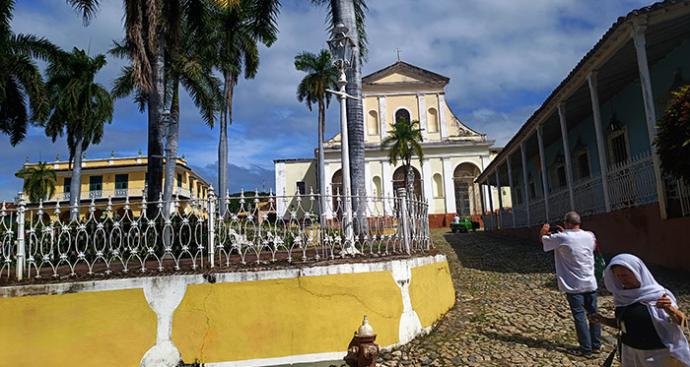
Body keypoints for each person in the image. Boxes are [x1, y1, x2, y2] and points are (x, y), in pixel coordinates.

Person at [590, 254, 690, 366]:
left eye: (625, 275)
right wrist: (603, 320)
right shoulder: (622, 297)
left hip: (657, 355)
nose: (622, 279)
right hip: (629, 352)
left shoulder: (658, 295)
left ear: (638, 272)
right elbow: (625, 324)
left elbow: (683, 322)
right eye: (618, 276)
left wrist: (670, 309)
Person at [541, 211, 601, 357]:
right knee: (594, 315)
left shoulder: (562, 237)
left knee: (579, 316)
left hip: (574, 284)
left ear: (567, 223)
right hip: (590, 282)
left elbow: (546, 242)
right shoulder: (589, 235)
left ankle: (585, 349)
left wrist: (543, 232)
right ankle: (596, 346)